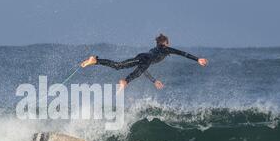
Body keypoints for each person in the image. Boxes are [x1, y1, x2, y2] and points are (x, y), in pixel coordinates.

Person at [80, 34, 208, 91]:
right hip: (145, 59)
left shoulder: (153, 50)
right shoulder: (166, 49)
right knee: (135, 72)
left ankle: (96, 60)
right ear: (166, 43)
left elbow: (143, 68)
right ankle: (125, 81)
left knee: (118, 65)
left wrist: (154, 81)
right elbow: (182, 53)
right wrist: (197, 59)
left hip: (142, 56)